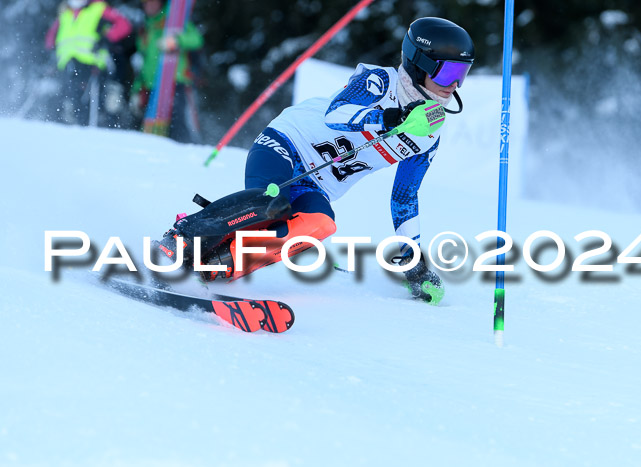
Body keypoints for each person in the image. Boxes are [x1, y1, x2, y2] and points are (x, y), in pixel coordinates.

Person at [157, 17, 475, 304]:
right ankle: (182, 238)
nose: (455, 84)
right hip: (286, 143)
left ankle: (218, 265)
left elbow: (404, 197)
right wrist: (390, 117)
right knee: (271, 202)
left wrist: (413, 263)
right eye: (449, 71)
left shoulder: (428, 135)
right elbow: (337, 114)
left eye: (463, 72)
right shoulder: (379, 82)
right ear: (420, 64)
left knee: (320, 224)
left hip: (314, 183)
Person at [45, 0, 132, 126]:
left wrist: (107, 37)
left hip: (92, 65)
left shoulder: (98, 8)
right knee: (67, 108)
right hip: (66, 67)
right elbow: (49, 40)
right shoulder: (65, 13)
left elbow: (124, 25)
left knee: (90, 108)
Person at [129, 0, 204, 144]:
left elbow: (196, 39)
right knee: (149, 126)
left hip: (175, 81)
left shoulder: (174, 20)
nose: (149, 6)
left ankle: (185, 152)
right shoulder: (146, 27)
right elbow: (144, 62)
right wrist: (137, 89)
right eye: (146, 3)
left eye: (153, 3)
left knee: (177, 124)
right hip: (151, 85)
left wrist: (176, 40)